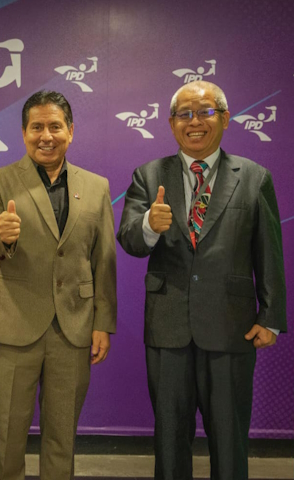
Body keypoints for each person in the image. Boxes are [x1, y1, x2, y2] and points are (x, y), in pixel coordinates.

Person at [117, 80, 286, 480]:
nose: (194, 122)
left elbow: (269, 251)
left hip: (231, 327)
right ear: (171, 123)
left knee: (229, 439)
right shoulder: (148, 175)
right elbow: (129, 240)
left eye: (205, 112)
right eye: (184, 114)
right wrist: (149, 225)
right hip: (168, 327)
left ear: (225, 119)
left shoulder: (254, 177)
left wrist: (271, 315)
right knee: (170, 439)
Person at [0, 90, 117, 480]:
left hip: (74, 328)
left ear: (70, 131)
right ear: (24, 133)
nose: (46, 136)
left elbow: (103, 259)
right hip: (13, 325)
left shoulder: (97, 186)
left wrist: (103, 322)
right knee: (7, 436)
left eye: (55, 126)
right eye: (36, 127)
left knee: (62, 437)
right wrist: (2, 236)